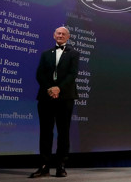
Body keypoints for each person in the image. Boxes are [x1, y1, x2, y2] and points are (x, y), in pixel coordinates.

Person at [30, 26, 80, 178]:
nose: (60, 35)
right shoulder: (46, 54)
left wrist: (59, 88)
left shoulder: (74, 53)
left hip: (65, 97)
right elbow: (40, 74)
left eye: (63, 34)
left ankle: (61, 166)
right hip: (46, 97)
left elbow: (73, 74)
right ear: (54, 35)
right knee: (45, 132)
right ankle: (44, 166)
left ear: (68, 37)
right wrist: (50, 89)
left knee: (63, 132)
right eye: (58, 33)